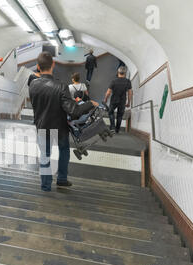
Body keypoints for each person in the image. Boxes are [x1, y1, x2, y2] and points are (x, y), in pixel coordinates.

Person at [29, 52, 97, 192]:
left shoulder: (33, 85)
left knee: (45, 155)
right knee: (64, 150)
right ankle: (61, 179)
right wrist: (90, 103)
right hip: (59, 128)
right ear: (53, 65)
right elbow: (74, 111)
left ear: (38, 67)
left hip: (42, 126)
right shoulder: (61, 86)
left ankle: (46, 186)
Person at [104, 66, 133, 133]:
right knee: (120, 115)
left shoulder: (114, 81)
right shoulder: (128, 81)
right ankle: (117, 129)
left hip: (114, 100)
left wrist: (105, 99)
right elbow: (130, 93)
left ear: (118, 72)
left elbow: (108, 92)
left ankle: (112, 127)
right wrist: (128, 102)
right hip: (122, 101)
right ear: (125, 73)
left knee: (110, 112)